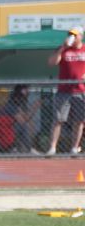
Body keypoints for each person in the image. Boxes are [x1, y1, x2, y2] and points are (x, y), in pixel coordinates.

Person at [44, 27, 85, 155]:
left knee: (79, 120)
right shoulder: (63, 48)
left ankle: (74, 148)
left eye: (75, 35)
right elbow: (52, 62)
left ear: (81, 36)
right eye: (70, 34)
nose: (72, 37)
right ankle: (52, 148)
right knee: (58, 119)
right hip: (64, 90)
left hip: (81, 91)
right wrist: (62, 48)